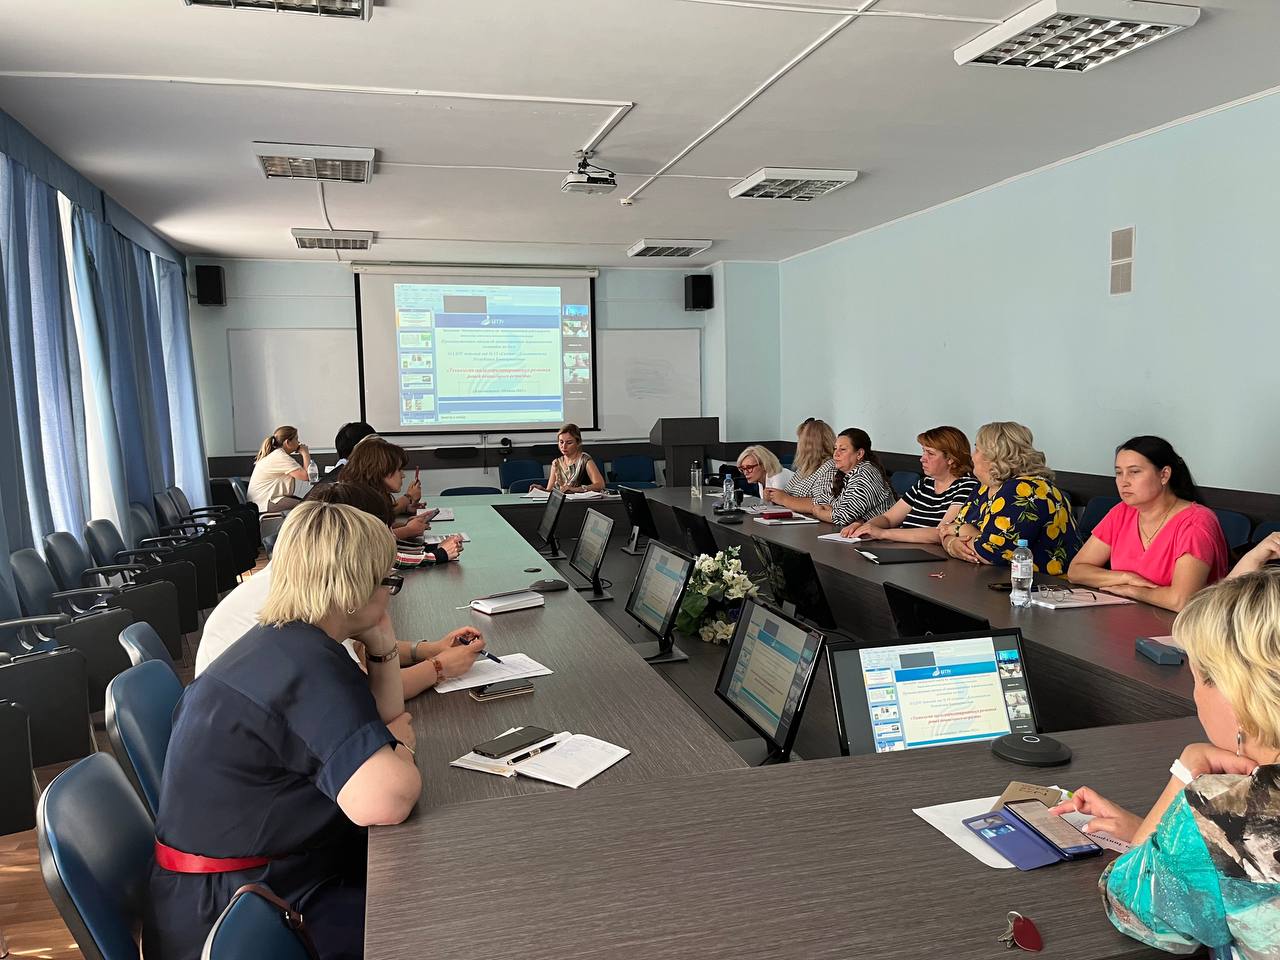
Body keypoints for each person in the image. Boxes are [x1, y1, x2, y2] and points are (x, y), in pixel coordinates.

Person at [144, 502, 423, 960]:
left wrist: (382, 644)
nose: (389, 594)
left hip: (232, 888)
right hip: (241, 917)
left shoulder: (284, 642)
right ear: (353, 588)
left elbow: (382, 714)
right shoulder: (306, 669)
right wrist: (403, 749)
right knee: (432, 914)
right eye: (387, 581)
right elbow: (387, 801)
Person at [1050, 571, 1280, 957]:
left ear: (1235, 696)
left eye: (1198, 678)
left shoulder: (1223, 812)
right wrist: (1164, 838)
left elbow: (1130, 907)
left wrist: (1185, 775)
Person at [194, 483, 474, 696]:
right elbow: (367, 695)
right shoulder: (311, 604)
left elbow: (358, 649)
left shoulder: (299, 576)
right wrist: (439, 667)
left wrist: (427, 650)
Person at [1068, 436, 1229, 612]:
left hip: (1181, 626)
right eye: (1119, 473)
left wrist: (1133, 591)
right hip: (1126, 619)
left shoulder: (1196, 522)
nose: (1124, 482)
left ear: (1164, 475)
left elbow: (1181, 600)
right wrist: (1126, 577)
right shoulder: (1122, 512)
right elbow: (1076, 571)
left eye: (1134, 472)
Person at [941, 421, 1080, 575]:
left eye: (977, 449)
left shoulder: (1024, 490)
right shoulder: (984, 487)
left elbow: (989, 553)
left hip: (1043, 584)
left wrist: (961, 531)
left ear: (995, 455)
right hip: (997, 578)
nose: (972, 456)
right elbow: (946, 530)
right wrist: (952, 543)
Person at [843, 426, 980, 543]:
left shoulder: (966, 486)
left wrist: (883, 533)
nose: (922, 459)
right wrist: (864, 527)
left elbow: (941, 533)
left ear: (950, 459)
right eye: (923, 451)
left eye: (930, 454)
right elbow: (888, 518)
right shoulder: (924, 484)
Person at [766, 428, 894, 527]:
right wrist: (828, 510)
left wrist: (818, 512)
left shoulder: (865, 473)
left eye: (842, 449)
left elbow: (842, 517)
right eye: (835, 449)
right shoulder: (850, 474)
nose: (836, 454)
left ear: (859, 454)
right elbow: (832, 506)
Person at [342, 437, 432, 535]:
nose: (403, 475)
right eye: (399, 469)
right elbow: (372, 539)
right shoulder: (360, 500)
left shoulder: (372, 495)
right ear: (381, 470)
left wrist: (406, 525)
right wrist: (409, 530)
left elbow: (379, 528)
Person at [246, 425, 311, 512]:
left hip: (264, 500)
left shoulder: (277, 454)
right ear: (288, 442)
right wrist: (305, 453)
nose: (298, 442)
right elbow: (306, 476)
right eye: (296, 439)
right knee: (309, 507)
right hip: (264, 502)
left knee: (308, 503)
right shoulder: (280, 456)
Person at [531, 423, 605, 493]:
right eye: (561, 442)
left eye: (569, 443)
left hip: (580, 500)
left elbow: (600, 485)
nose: (564, 446)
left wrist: (575, 489)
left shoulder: (584, 460)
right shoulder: (556, 463)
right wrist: (541, 490)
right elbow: (550, 491)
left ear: (578, 443)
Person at [782, 417, 836, 498]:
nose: (798, 443)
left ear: (810, 444)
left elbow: (822, 502)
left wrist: (784, 499)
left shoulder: (829, 467)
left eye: (801, 439)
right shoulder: (804, 467)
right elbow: (787, 492)